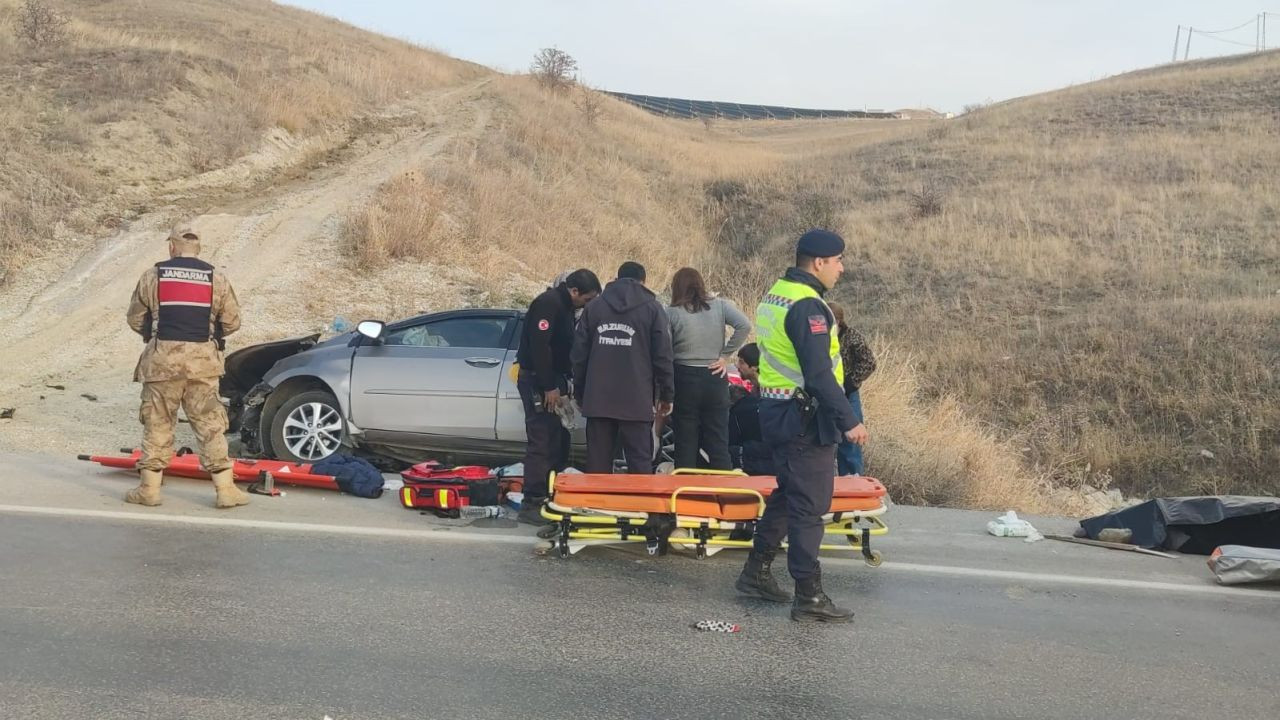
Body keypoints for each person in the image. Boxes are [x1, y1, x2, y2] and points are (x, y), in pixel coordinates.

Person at [735, 229, 868, 623]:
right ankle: (808, 596)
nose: (842, 269)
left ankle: (756, 572)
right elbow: (818, 373)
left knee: (789, 492)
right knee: (810, 507)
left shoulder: (776, 294)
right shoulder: (808, 307)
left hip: (777, 411)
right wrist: (850, 420)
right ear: (819, 263)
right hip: (804, 417)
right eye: (838, 261)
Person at [124, 225, 246, 509]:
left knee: (158, 423)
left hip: (161, 364)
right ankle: (225, 490)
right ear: (199, 248)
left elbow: (134, 318)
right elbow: (231, 322)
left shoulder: (153, 276)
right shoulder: (217, 278)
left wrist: (153, 335)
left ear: (171, 247)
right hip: (203, 364)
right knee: (210, 425)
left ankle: (149, 490)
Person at [515, 269, 602, 525]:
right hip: (539, 381)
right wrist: (549, 386)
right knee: (541, 440)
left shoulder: (565, 308)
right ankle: (532, 501)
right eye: (586, 300)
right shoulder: (548, 304)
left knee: (556, 440)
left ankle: (552, 494)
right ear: (574, 291)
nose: (586, 306)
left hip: (554, 380)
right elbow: (540, 347)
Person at [572, 261, 674, 475]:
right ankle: (640, 505)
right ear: (643, 281)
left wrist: (581, 393)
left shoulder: (594, 307)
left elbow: (579, 355)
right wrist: (666, 394)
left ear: (616, 279)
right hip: (637, 399)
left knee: (598, 462)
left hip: (598, 397)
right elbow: (663, 356)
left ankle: (598, 505)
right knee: (639, 461)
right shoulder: (653, 309)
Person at [665, 267, 751, 470]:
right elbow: (744, 325)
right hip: (715, 376)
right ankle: (725, 492)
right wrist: (724, 356)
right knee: (718, 441)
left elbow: (664, 348)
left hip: (683, 377)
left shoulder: (671, 312)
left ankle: (685, 494)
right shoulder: (720, 306)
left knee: (685, 442)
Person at [827, 301, 876, 476]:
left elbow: (869, 362)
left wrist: (851, 383)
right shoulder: (819, 337)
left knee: (851, 440)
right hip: (826, 391)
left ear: (838, 321)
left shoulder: (852, 337)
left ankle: (853, 478)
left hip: (848, 393)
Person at [727, 343, 775, 476]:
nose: (737, 366)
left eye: (741, 362)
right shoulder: (756, 390)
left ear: (754, 367)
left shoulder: (769, 393)